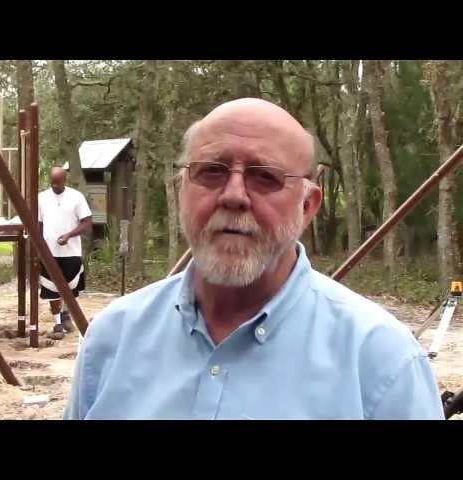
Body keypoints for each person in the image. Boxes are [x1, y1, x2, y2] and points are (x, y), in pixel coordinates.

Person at [63, 98, 445, 420]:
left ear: (308, 206)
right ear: (182, 189)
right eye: (212, 171)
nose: (233, 195)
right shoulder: (112, 340)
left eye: (264, 176)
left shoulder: (382, 363)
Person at [38, 167, 93, 340]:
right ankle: (57, 324)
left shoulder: (76, 197)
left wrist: (69, 235)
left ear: (65, 181)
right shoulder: (42, 198)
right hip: (49, 252)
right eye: (52, 183)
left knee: (70, 288)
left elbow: (87, 223)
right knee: (51, 288)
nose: (55, 186)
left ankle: (66, 313)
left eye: (58, 183)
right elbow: (38, 224)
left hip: (71, 252)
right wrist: (39, 246)